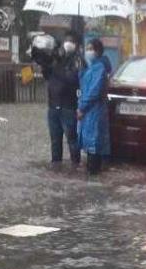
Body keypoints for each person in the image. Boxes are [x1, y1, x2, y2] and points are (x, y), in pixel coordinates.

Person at [32, 32, 82, 165]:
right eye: (66, 40)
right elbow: (49, 76)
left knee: (72, 139)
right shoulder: (57, 58)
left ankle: (75, 164)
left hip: (68, 106)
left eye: (70, 41)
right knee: (55, 140)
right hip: (53, 106)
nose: (67, 44)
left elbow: (73, 79)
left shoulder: (78, 60)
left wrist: (57, 69)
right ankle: (56, 165)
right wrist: (45, 65)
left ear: (76, 45)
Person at [77, 38, 110, 176]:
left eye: (91, 49)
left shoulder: (99, 68)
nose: (88, 52)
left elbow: (93, 91)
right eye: (87, 49)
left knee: (93, 145)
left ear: (97, 51)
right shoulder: (90, 67)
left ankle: (93, 172)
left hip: (93, 111)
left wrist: (82, 108)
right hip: (89, 112)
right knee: (90, 144)